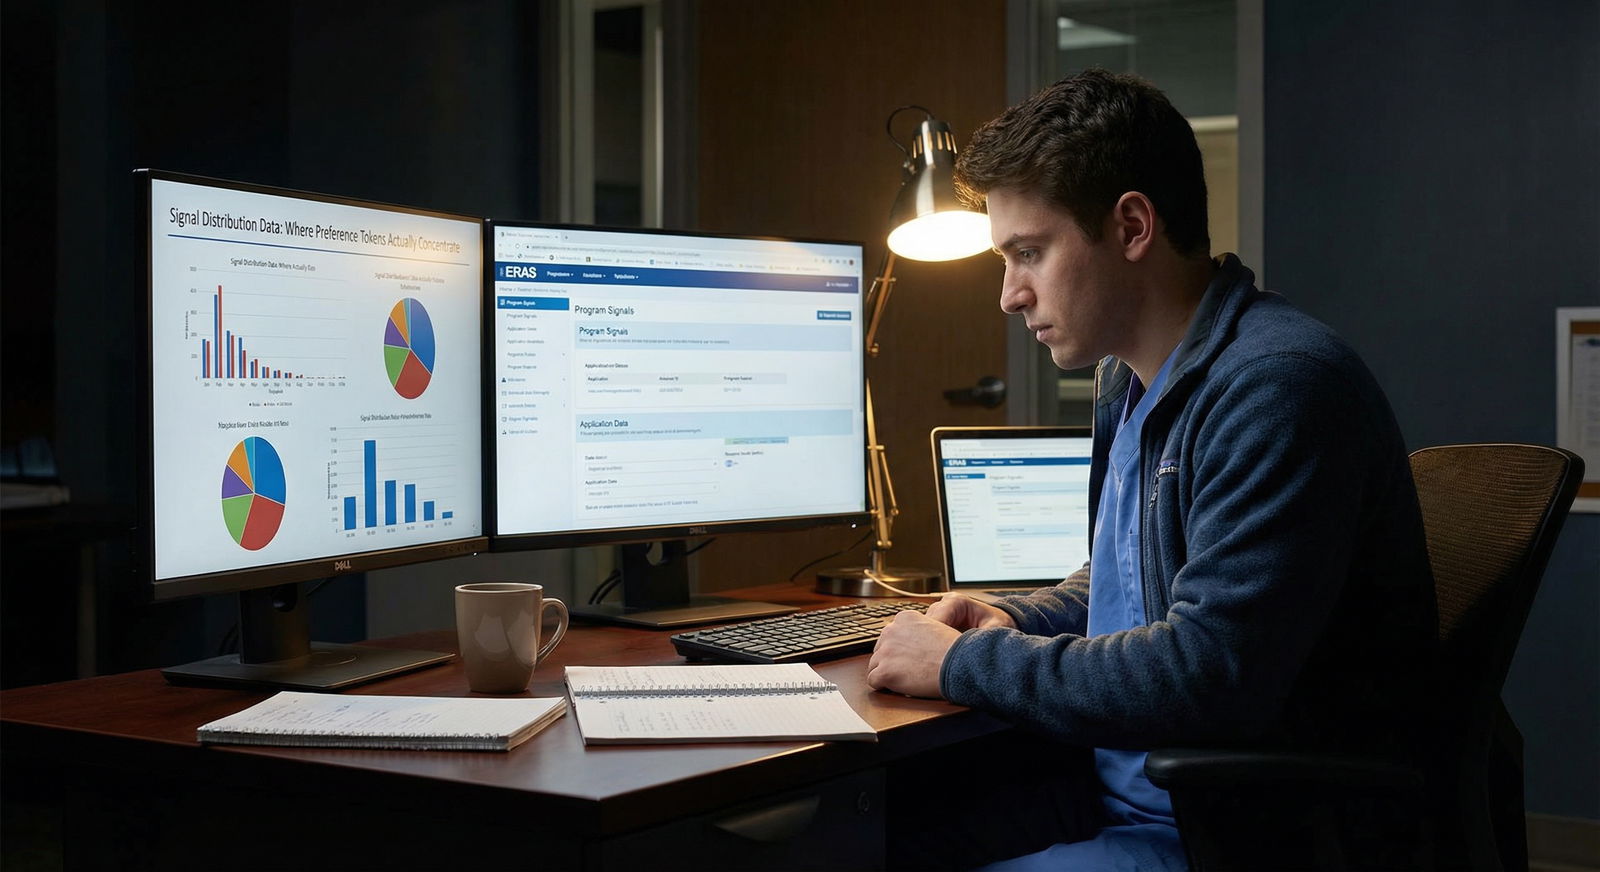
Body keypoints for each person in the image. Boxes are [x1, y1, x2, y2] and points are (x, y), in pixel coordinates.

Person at [866, 69, 1437, 870]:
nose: (1009, 295)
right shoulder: (1130, 380)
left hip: (1230, 832)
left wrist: (965, 664)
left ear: (1133, 226)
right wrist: (1015, 617)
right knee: (861, 833)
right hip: (1123, 787)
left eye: (1028, 253)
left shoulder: (1278, 385)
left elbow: (1207, 672)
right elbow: (1129, 581)